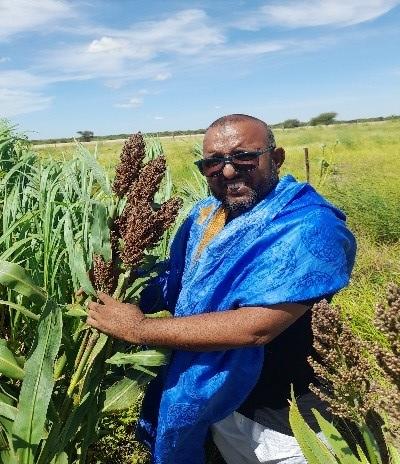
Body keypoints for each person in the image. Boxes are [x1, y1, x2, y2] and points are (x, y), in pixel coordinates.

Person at [87, 114, 356, 464]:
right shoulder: (206, 216)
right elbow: (175, 282)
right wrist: (119, 284)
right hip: (215, 399)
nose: (227, 172)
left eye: (243, 157)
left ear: (275, 158)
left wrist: (137, 328)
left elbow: (256, 327)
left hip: (286, 422)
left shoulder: (309, 227)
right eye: (213, 163)